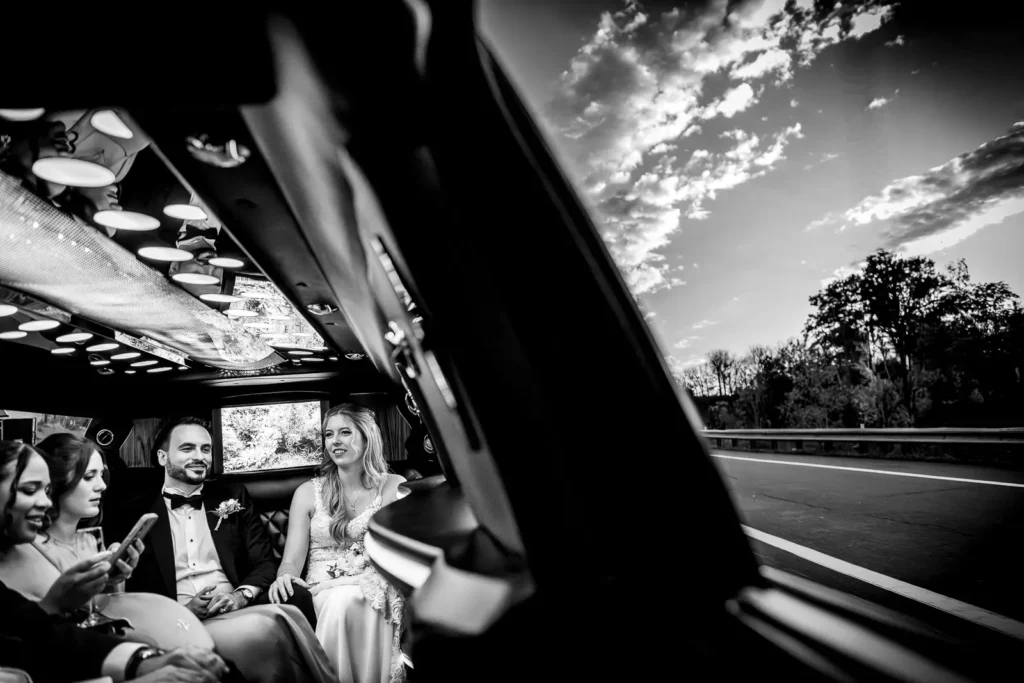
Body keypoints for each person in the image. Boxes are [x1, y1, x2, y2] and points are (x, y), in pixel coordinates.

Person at [119, 418, 337, 683]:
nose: (200, 456)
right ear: (163, 457)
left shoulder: (232, 496)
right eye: (187, 449)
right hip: (175, 617)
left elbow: (264, 563)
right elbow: (130, 585)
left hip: (237, 606)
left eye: (205, 449)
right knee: (269, 629)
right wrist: (183, 609)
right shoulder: (134, 509)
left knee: (294, 599)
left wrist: (240, 596)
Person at [0, 439, 231, 683]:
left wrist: (142, 660)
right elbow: (43, 641)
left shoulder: (91, 540)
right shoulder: (21, 554)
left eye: (102, 475)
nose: (101, 486)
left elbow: (41, 631)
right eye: (28, 490)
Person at [268, 403, 409, 683]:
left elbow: (403, 548)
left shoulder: (393, 486)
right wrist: (284, 576)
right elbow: (292, 558)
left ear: (367, 438)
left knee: (369, 596)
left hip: (376, 581)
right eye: (329, 434)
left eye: (345, 432)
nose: (335, 441)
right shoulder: (308, 492)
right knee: (342, 602)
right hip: (324, 588)